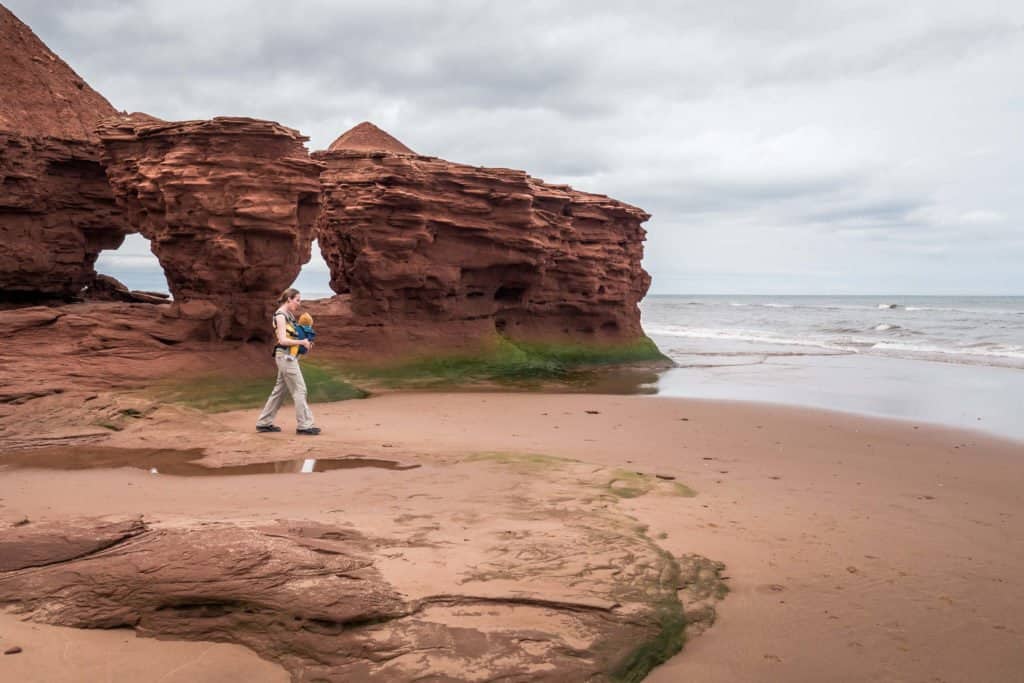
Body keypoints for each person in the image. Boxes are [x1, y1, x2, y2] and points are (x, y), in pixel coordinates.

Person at [255, 288, 320, 435]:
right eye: (297, 300)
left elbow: (294, 336)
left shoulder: (289, 315)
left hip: (287, 357)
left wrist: (305, 343)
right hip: (285, 357)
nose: (299, 303)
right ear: (289, 299)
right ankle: (305, 425)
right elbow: (283, 340)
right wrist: (302, 342)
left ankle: (264, 423)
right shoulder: (280, 316)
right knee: (300, 389)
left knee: (279, 390)